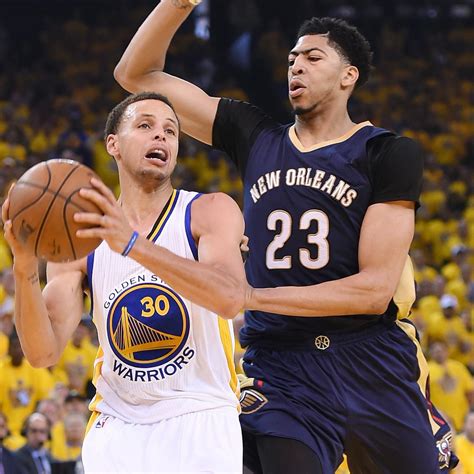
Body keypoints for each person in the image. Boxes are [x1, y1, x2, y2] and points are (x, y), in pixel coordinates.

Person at [114, 1, 459, 473]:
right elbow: (136, 75)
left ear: (349, 76)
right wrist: (180, 4)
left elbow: (374, 291)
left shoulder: (386, 152)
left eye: (313, 57)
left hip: (371, 356)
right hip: (282, 365)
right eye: (292, 58)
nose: (296, 65)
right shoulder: (254, 135)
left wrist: (250, 295)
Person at [2, 91, 246, 473]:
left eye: (170, 131)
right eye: (145, 125)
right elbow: (42, 353)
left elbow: (231, 299)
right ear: (113, 144)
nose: (161, 135)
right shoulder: (81, 241)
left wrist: (132, 244)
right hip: (116, 425)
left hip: (200, 414)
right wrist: (24, 266)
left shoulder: (209, 211)